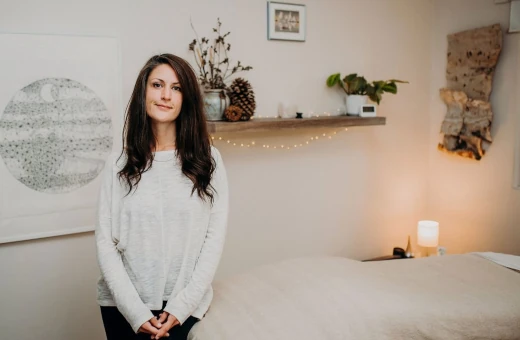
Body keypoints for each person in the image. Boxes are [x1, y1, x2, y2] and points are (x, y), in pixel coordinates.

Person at [95, 53, 229, 340]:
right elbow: (106, 243)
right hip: (123, 306)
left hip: (183, 306)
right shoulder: (118, 163)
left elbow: (213, 240)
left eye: (177, 88)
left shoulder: (209, 160)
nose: (166, 95)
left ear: (186, 98)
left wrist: (182, 307)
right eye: (157, 85)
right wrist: (135, 311)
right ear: (144, 92)